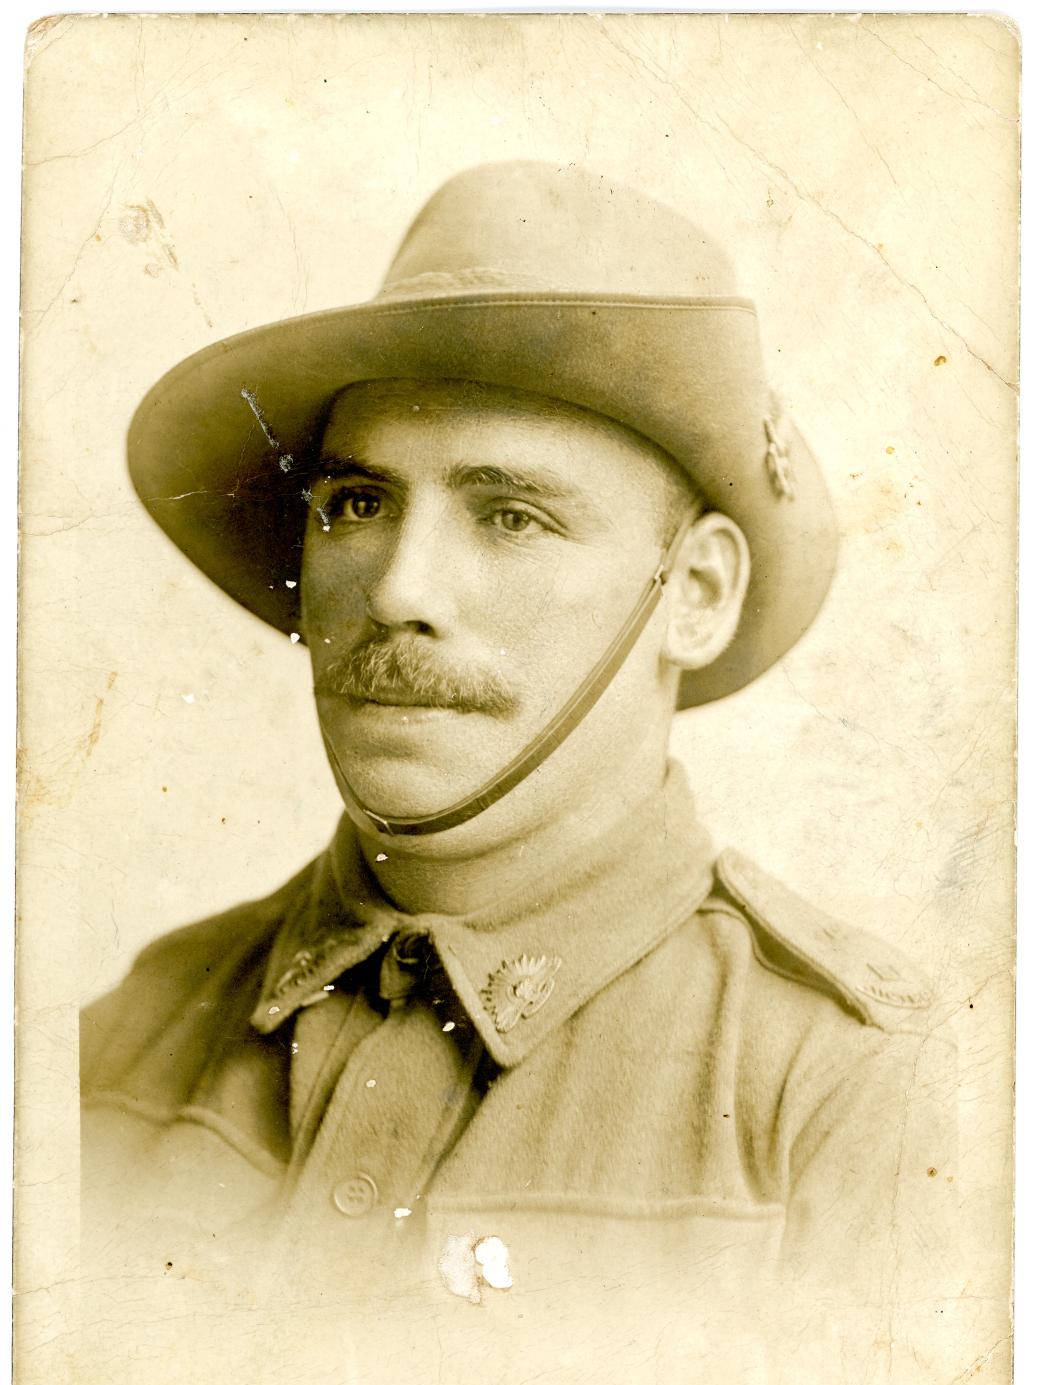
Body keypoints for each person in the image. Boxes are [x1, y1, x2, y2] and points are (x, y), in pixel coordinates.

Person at [80, 161, 955, 1309]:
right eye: (357, 504)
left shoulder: (858, 1094)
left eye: (510, 516)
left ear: (692, 592)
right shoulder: (133, 1029)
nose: (397, 589)